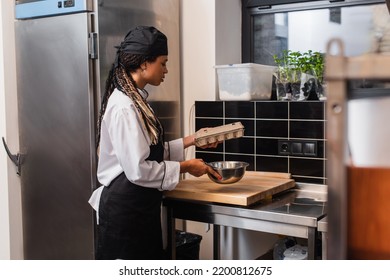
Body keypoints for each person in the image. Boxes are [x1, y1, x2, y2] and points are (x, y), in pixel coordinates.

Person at [88, 26, 221, 260]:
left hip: (138, 209)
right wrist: (186, 167)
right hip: (124, 214)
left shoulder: (136, 99)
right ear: (143, 63)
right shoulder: (124, 107)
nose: (166, 70)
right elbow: (138, 169)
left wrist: (194, 139)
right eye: (163, 62)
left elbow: (150, 153)